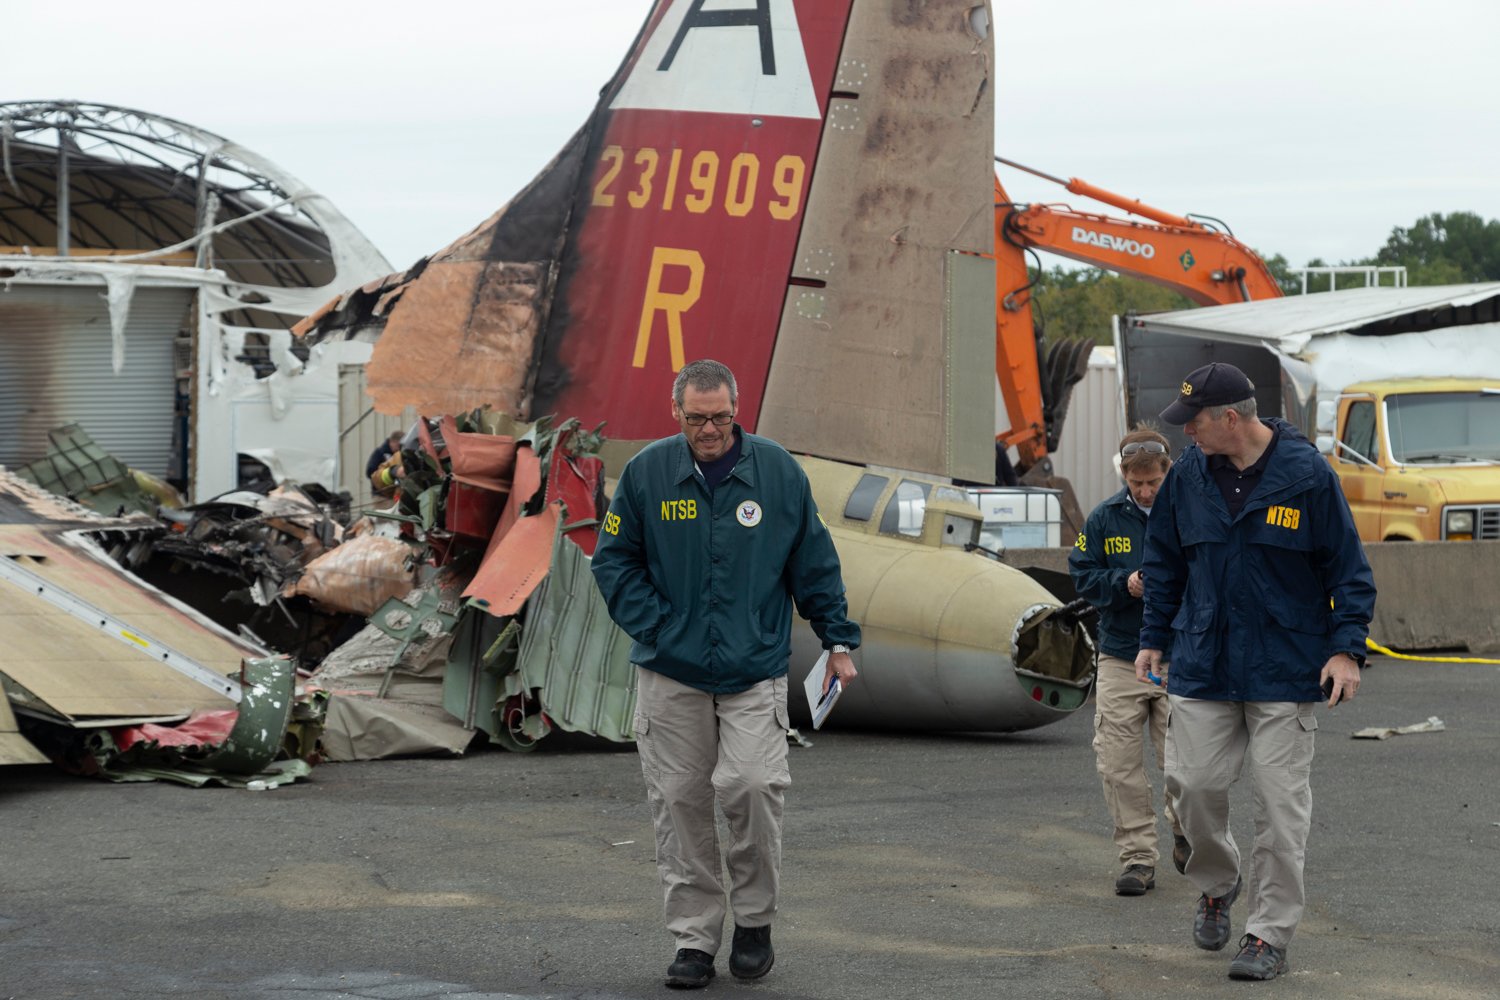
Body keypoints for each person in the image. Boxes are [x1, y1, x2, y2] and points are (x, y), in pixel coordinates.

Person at [591, 358, 861, 989]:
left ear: (737, 412)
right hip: (670, 672)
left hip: (752, 668)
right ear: (675, 411)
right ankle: (693, 940)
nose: (710, 429)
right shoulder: (647, 474)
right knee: (680, 805)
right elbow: (613, 560)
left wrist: (838, 638)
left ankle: (755, 922)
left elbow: (814, 563)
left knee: (752, 787)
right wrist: (655, 626)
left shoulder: (777, 473)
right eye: (697, 417)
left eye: (720, 417)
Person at [1134, 362, 1375, 981]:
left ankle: (1267, 935)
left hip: (1285, 666)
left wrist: (1347, 649)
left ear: (1230, 420)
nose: (1187, 434)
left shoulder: (1307, 477)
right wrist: (1153, 639)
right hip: (1204, 661)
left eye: (1195, 423)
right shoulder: (1188, 478)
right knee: (1191, 788)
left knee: (1280, 809)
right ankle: (1218, 883)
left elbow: (1347, 569)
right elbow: (1163, 563)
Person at [1069, 428, 1188, 897]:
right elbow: (1082, 574)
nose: (1143, 491)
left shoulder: (1187, 515)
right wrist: (1123, 583)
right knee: (1117, 764)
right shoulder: (1103, 519)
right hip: (1121, 655)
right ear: (1123, 475)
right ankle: (1138, 858)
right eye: (1136, 483)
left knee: (1182, 763)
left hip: (1177, 658)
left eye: (1152, 483)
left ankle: (1185, 829)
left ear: (1167, 473)